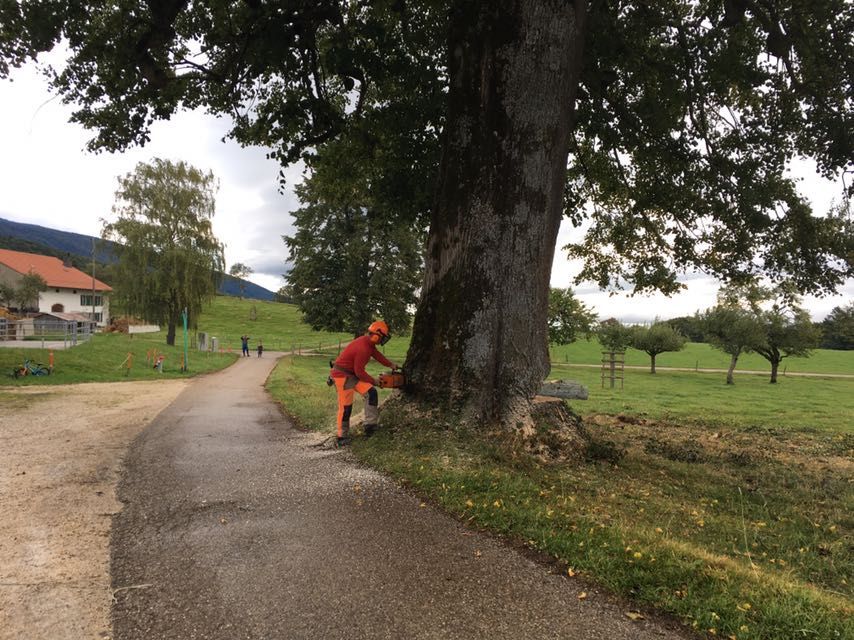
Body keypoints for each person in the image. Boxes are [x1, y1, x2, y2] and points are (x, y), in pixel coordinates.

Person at [329, 320, 397, 447]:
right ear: (376, 335)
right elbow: (360, 373)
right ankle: (341, 437)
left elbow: (377, 355)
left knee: (371, 393)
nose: (383, 340)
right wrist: (374, 381)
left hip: (352, 375)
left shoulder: (368, 343)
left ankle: (370, 426)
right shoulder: (363, 348)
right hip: (342, 377)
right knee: (346, 407)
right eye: (382, 337)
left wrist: (390, 364)